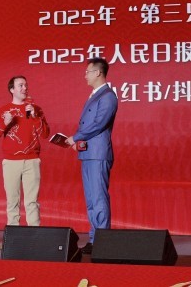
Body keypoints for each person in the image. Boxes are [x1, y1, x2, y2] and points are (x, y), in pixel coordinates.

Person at [65, 57, 118, 255]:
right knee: (91, 199)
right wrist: (78, 142)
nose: (85, 75)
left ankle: (103, 241)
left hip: (98, 154)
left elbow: (98, 124)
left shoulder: (108, 96)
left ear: (98, 72)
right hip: (88, 153)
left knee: (98, 197)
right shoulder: (96, 95)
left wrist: (76, 137)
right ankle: (95, 238)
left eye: (88, 72)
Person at [0, 76, 50, 227]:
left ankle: (35, 234)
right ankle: (13, 235)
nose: (24, 88)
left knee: (32, 202)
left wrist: (35, 117)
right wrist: (5, 123)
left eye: (26, 85)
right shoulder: (4, 111)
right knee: (12, 201)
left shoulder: (36, 109)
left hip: (32, 160)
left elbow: (45, 134)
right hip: (11, 162)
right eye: (20, 85)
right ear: (12, 90)